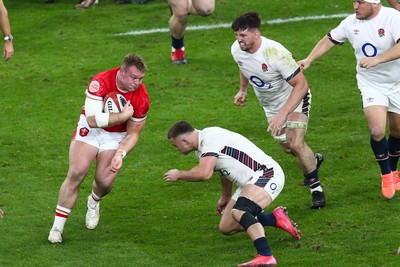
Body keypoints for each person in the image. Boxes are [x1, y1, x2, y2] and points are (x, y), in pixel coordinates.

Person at [298, 0, 400, 199]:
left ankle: (394, 170)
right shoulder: (350, 23)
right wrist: (309, 59)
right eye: (354, 1)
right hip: (371, 84)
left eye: (360, 2)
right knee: (377, 130)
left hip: (397, 82)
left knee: (397, 130)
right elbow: (329, 39)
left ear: (374, 3)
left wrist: (377, 59)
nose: (355, 6)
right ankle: (386, 173)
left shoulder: (393, 18)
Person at [164, 121, 301, 267]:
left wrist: (179, 174)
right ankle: (274, 219)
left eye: (175, 145)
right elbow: (223, 170)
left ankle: (266, 255)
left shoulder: (210, 139)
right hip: (249, 181)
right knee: (227, 226)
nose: (176, 148)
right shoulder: (202, 146)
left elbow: (204, 173)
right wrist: (225, 196)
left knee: (241, 211)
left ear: (184, 140)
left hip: (266, 174)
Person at [48, 53, 150, 243]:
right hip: (91, 130)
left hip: (115, 136)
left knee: (104, 182)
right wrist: (121, 116)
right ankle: (57, 227)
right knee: (76, 172)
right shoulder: (100, 82)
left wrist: (121, 153)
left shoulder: (141, 97)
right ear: (122, 72)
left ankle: (94, 201)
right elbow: (93, 120)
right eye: (133, 77)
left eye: (141, 78)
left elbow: (134, 133)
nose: (137, 82)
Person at [230, 12, 325, 209]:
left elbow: (301, 85)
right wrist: (243, 89)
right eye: (237, 35)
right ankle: (313, 159)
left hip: (295, 98)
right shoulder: (237, 50)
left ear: (256, 34)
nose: (239, 40)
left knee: (295, 142)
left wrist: (283, 115)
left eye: (243, 36)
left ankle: (315, 188)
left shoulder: (275, 53)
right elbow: (244, 66)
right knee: (289, 148)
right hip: (270, 106)